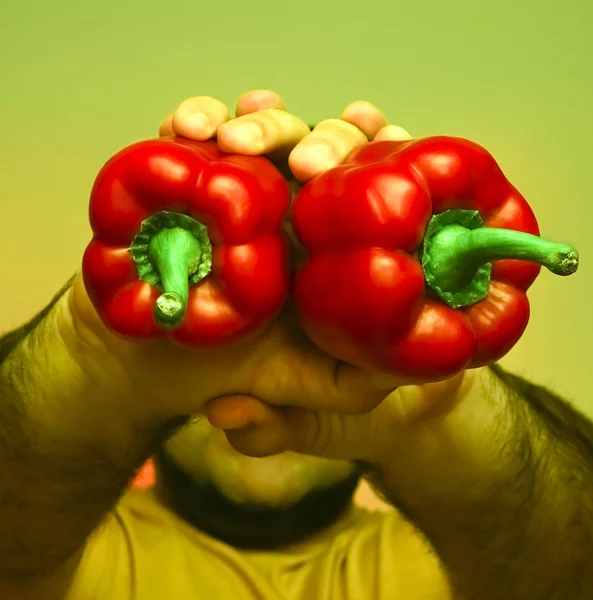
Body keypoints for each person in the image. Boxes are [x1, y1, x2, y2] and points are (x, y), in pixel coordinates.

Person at [0, 89, 592, 600]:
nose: (278, 322)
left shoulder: (444, 564)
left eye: (298, 301)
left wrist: (438, 406)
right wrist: (91, 363)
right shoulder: (70, 553)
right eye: (268, 298)